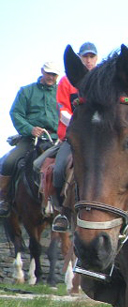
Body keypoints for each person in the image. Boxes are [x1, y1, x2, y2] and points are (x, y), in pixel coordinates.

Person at [0, 62, 60, 217]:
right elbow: (16, 113)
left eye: (54, 74)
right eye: (48, 73)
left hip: (57, 138)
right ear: (42, 71)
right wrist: (30, 129)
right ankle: (4, 198)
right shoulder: (26, 91)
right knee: (9, 162)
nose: (51, 77)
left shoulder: (61, 92)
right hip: (31, 138)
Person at [51, 42, 99, 232]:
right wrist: (78, 126)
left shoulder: (101, 79)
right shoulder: (66, 82)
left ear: (96, 58)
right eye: (85, 56)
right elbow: (62, 108)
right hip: (74, 138)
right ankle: (62, 211)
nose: (88, 60)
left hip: (99, 138)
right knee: (59, 168)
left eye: (92, 57)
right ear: (79, 58)